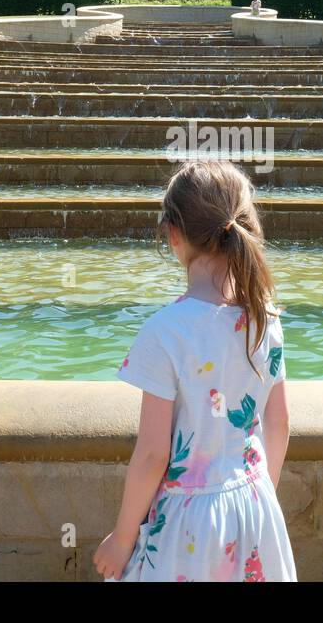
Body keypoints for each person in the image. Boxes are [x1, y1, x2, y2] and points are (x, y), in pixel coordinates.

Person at [94, 159, 296, 583]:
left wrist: (122, 537)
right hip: (254, 501)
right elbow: (278, 424)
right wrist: (261, 497)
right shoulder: (266, 318)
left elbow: (153, 455)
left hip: (188, 521)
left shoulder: (165, 331)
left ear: (173, 234)